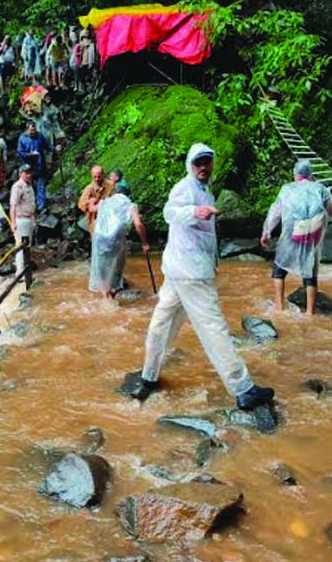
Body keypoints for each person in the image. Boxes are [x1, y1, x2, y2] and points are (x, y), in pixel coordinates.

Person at [130, 142, 275, 411]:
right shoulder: (184, 189)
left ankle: (149, 375)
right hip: (190, 274)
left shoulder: (206, 191)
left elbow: (207, 236)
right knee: (214, 328)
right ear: (190, 165)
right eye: (198, 163)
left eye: (207, 162)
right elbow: (169, 212)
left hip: (179, 270)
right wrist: (193, 212)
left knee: (161, 323)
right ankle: (242, 388)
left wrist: (214, 262)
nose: (203, 167)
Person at [261, 159, 332, 315]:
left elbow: (275, 213)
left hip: (291, 234)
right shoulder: (321, 189)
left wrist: (266, 232)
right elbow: (330, 210)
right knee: (310, 272)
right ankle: (310, 312)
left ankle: (279, 307)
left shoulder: (287, 189)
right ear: (311, 174)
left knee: (279, 269)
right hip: (312, 235)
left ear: (295, 175)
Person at [89, 186, 149, 298]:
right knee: (116, 269)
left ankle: (105, 297)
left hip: (99, 239)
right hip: (116, 241)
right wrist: (144, 243)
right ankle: (112, 293)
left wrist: (92, 201)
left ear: (115, 194)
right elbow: (139, 225)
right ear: (127, 196)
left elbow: (92, 209)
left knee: (102, 271)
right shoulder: (131, 206)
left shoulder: (104, 202)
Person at [17, 122, 51, 212]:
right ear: (27, 129)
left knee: (40, 185)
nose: (33, 132)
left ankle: (41, 207)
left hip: (40, 165)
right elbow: (20, 153)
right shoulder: (22, 138)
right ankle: (30, 206)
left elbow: (47, 146)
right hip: (28, 167)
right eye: (31, 130)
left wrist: (55, 149)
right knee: (29, 186)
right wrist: (29, 154)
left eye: (34, 130)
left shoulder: (39, 136)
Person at [10, 164, 36, 275]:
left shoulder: (29, 186)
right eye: (26, 173)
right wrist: (13, 223)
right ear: (21, 173)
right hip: (20, 220)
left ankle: (26, 271)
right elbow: (13, 206)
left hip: (29, 218)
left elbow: (31, 204)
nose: (28, 175)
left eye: (30, 172)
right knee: (20, 246)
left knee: (27, 246)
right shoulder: (17, 187)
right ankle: (20, 273)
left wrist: (34, 219)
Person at [78, 165, 115, 234]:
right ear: (92, 176)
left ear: (103, 175)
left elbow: (116, 199)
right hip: (95, 221)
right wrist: (91, 202)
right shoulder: (89, 189)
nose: (97, 179)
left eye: (99, 176)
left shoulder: (110, 185)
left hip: (110, 218)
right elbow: (81, 204)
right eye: (94, 177)